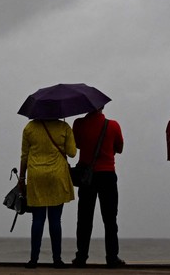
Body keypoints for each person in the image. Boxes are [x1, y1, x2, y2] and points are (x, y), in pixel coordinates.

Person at [71, 107, 125, 268]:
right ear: (102, 106)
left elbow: (77, 145)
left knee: (84, 218)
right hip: (107, 175)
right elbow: (120, 148)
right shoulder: (113, 125)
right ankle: (112, 257)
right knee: (110, 219)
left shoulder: (78, 124)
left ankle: (81, 257)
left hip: (86, 176)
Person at [19, 117, 76, 269]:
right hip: (57, 176)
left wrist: (21, 177)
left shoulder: (30, 127)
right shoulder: (64, 127)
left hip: (36, 176)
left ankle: (33, 260)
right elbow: (72, 153)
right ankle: (57, 259)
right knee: (55, 220)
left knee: (37, 220)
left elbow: (24, 155)